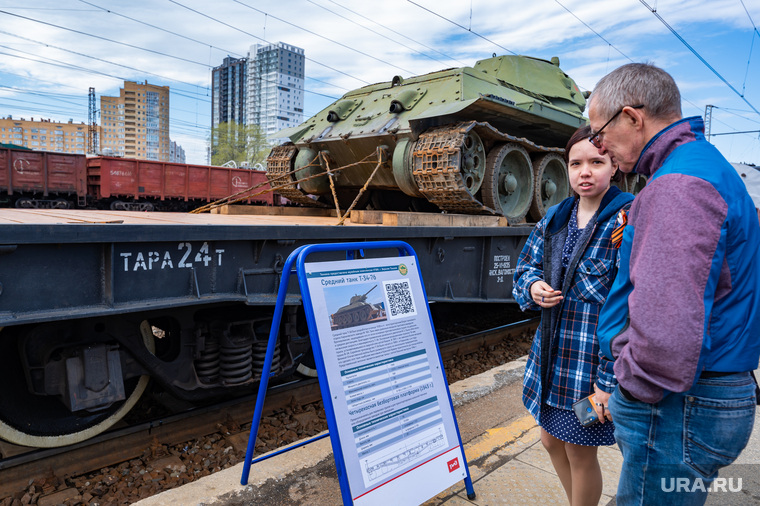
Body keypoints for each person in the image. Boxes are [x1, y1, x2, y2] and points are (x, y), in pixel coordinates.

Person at [588, 63, 760, 505]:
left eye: (599, 131)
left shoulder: (677, 186)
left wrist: (631, 386)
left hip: (677, 408)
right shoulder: (702, 166)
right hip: (703, 394)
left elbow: (666, 332)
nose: (599, 144)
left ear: (632, 116)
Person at [513, 125, 633, 506]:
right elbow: (525, 267)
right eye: (575, 163)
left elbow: (631, 308)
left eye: (596, 162)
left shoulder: (625, 220)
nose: (585, 171)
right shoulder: (555, 217)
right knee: (550, 439)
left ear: (614, 165)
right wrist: (533, 287)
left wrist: (607, 383)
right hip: (551, 359)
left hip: (590, 367)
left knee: (580, 451)